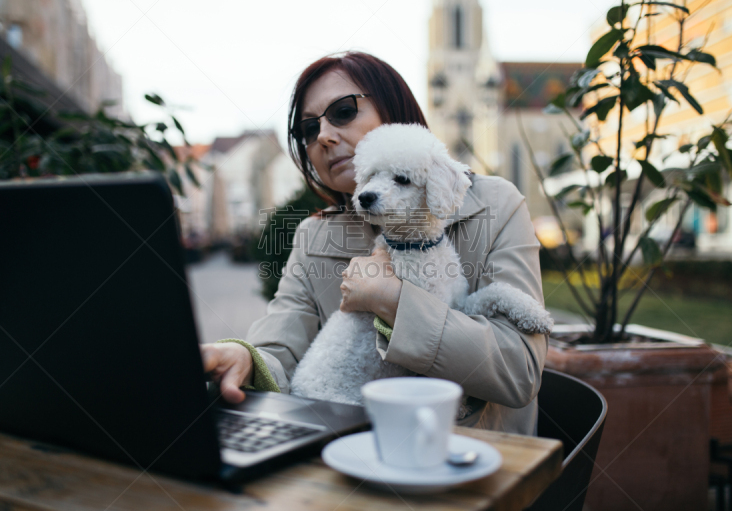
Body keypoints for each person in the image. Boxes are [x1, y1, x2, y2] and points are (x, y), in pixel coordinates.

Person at [201, 51, 547, 434]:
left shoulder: (496, 204)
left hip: (474, 461)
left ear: (393, 107)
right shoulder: (313, 234)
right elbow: (281, 349)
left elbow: (520, 370)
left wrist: (392, 301)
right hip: (345, 457)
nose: (325, 137)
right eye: (308, 130)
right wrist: (243, 358)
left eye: (344, 111)